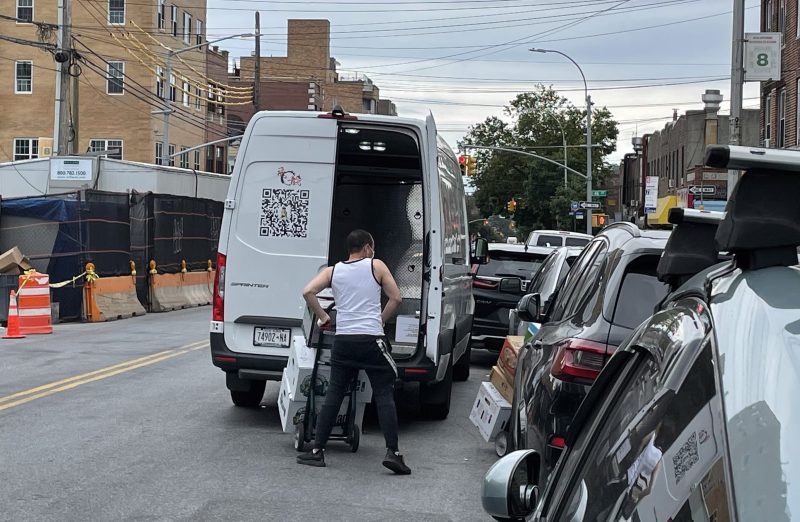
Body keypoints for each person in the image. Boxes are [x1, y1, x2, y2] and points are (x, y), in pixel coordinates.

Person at [296, 229, 411, 475]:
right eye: (373, 248)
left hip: (344, 341)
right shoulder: (376, 265)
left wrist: (324, 317)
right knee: (384, 392)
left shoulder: (333, 271)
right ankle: (393, 453)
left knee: (334, 394)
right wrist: (380, 320)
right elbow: (396, 298)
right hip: (370, 340)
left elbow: (307, 291)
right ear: (367, 247)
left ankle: (317, 450)